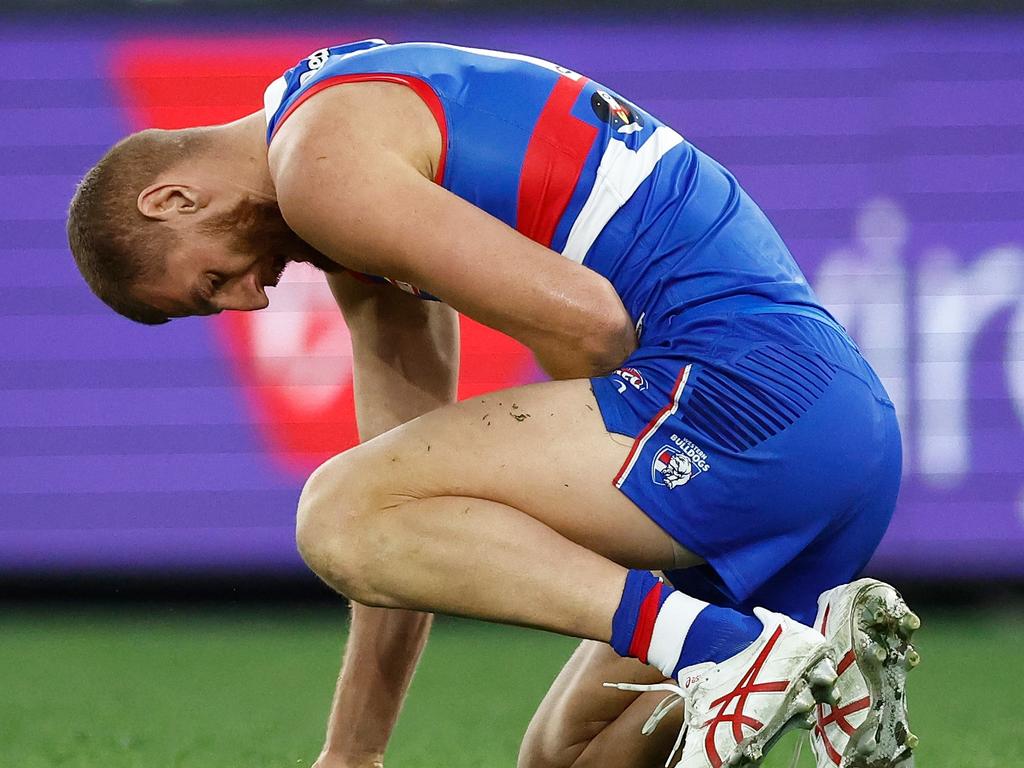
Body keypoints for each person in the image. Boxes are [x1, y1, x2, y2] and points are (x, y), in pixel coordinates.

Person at [66, 40, 920, 768]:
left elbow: (587, 324)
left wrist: (603, 493)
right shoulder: (343, 157)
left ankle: (729, 651)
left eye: (210, 282)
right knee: (568, 756)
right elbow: (400, 534)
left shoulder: (319, 167)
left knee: (333, 508)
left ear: (172, 198)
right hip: (835, 430)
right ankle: (818, 650)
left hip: (744, 407)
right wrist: (355, 751)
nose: (247, 304)